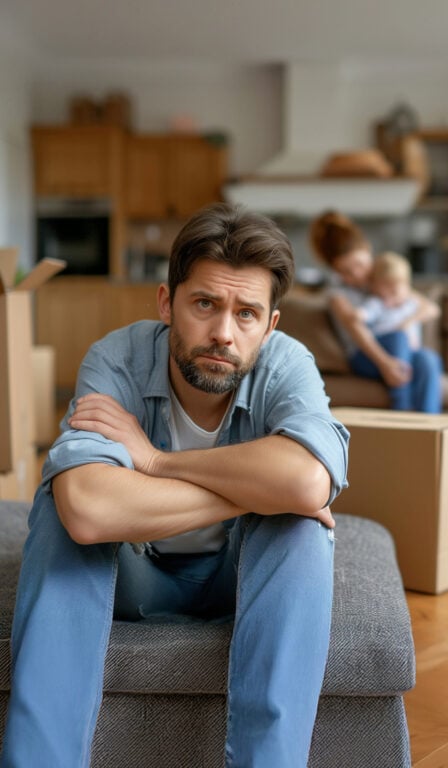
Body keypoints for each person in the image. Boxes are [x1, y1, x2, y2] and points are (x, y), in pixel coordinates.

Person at [0, 203, 350, 767]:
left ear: (270, 325)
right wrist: (261, 485)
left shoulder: (287, 364)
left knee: (300, 528)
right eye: (205, 304)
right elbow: (90, 509)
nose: (223, 334)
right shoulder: (117, 359)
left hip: (242, 578)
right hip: (131, 575)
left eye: (246, 315)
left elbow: (308, 481)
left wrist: (156, 462)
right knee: (60, 509)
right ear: (168, 303)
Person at [309, 211, 443, 413]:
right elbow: (356, 327)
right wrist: (385, 364)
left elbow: (430, 308)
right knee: (398, 338)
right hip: (365, 355)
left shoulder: (383, 280)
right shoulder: (337, 293)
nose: (356, 275)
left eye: (359, 264)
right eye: (345, 271)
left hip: (399, 350)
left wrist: (408, 322)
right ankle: (403, 412)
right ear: (335, 271)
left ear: (368, 249)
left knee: (428, 360)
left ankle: (431, 427)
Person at [357, 250, 440, 351]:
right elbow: (364, 314)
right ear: (374, 284)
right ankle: (403, 367)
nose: (395, 289)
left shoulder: (410, 302)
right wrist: (358, 315)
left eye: (399, 284)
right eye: (388, 284)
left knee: (428, 357)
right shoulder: (376, 303)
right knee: (399, 338)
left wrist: (407, 323)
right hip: (386, 347)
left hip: (412, 349)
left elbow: (434, 310)